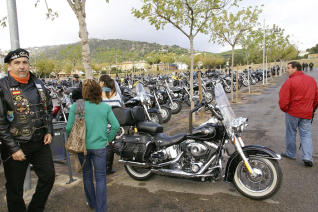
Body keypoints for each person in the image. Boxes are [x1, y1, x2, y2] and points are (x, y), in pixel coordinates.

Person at [0, 48, 55, 211]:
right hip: (15, 146)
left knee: (49, 177)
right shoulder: (2, 87)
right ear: (9, 66)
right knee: (15, 189)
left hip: (40, 142)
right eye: (17, 63)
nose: (22, 66)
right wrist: (13, 148)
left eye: (25, 62)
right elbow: (0, 122)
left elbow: (48, 108)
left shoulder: (38, 82)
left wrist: (49, 130)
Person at [66, 79, 119, 212]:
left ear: (84, 91)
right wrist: (108, 139)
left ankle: (92, 203)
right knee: (101, 178)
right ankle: (101, 208)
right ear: (98, 91)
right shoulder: (104, 106)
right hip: (100, 147)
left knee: (87, 175)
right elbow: (116, 126)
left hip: (82, 148)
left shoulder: (77, 106)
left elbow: (68, 128)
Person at [279, 61, 318, 167]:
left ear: (295, 68)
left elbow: (283, 99)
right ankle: (307, 157)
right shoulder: (311, 80)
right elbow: (316, 98)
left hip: (293, 112)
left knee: (291, 133)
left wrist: (285, 109)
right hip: (307, 113)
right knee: (306, 135)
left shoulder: (290, 82)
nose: (286, 70)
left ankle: (291, 153)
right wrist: (313, 109)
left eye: (288, 68)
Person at [99, 74, 123, 175]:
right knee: (111, 144)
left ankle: (105, 169)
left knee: (106, 147)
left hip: (104, 124)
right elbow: (120, 107)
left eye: (99, 82)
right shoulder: (116, 93)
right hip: (115, 123)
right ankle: (109, 167)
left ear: (103, 82)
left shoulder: (100, 94)